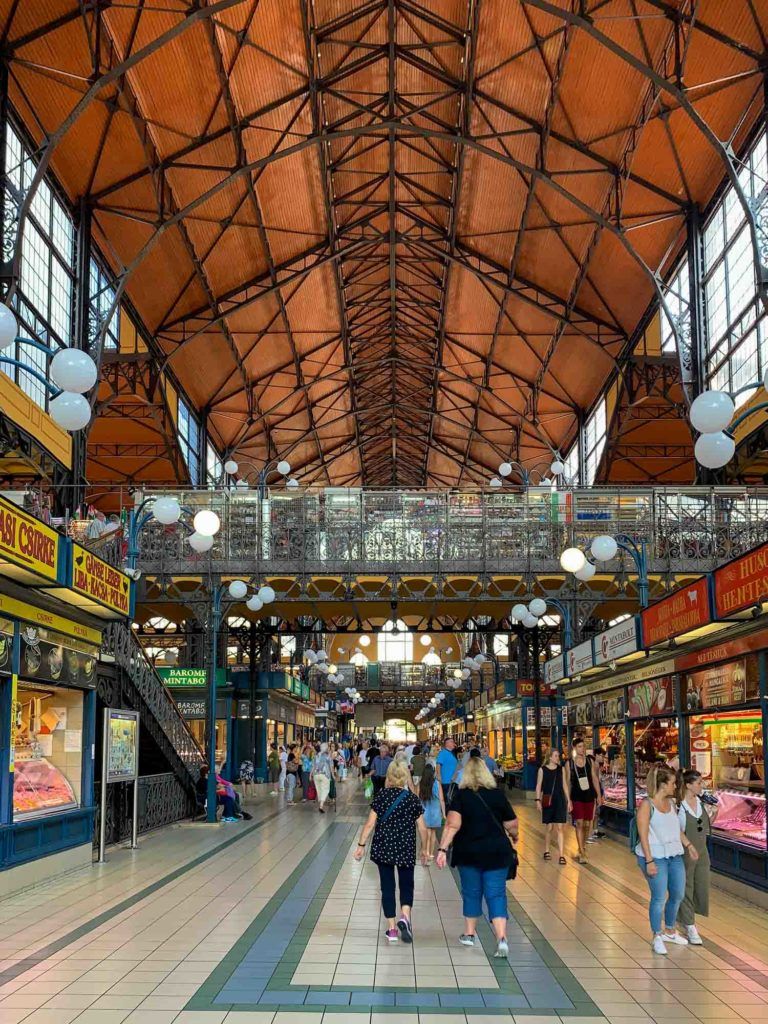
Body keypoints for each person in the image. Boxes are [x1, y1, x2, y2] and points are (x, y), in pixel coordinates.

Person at [436, 756, 517, 957]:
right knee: (496, 893)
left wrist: (442, 849)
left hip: (469, 852)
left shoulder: (462, 796)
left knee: (472, 892)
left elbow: (452, 825)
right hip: (497, 852)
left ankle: (470, 934)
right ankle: (501, 938)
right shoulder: (497, 794)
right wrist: (515, 836)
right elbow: (511, 823)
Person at [354, 760, 429, 943]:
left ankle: (392, 929)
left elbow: (370, 823)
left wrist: (361, 845)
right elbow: (423, 828)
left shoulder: (381, 796)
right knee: (406, 884)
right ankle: (405, 916)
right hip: (405, 847)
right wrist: (424, 849)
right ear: (405, 777)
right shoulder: (412, 799)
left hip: (384, 848)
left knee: (387, 887)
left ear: (389, 777)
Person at [636, 765, 699, 955]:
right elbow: (643, 835)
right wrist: (649, 861)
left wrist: (689, 845)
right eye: (672, 783)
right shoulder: (647, 806)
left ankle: (670, 931)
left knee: (678, 893)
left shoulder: (671, 805)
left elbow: (676, 829)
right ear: (663, 785)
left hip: (674, 854)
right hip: (655, 856)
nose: (675, 786)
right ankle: (657, 935)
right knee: (658, 897)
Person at [677, 769, 717, 945]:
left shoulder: (701, 803)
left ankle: (685, 917)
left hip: (702, 851)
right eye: (699, 783)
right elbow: (676, 831)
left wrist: (714, 812)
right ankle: (689, 924)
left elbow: (706, 826)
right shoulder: (679, 806)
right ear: (688, 785)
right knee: (687, 886)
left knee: (700, 884)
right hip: (686, 852)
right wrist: (688, 846)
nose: (702, 785)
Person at [565, 738, 602, 864]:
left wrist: (598, 795)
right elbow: (568, 783)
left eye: (584, 746)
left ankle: (583, 845)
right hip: (576, 796)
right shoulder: (569, 763)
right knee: (579, 823)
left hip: (589, 795)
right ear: (574, 748)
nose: (582, 749)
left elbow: (595, 779)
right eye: (580, 746)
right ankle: (581, 851)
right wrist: (568, 800)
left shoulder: (589, 761)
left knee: (587, 824)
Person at [536, 748, 570, 864]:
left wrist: (568, 800)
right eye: (556, 756)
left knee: (560, 828)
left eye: (558, 756)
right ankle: (547, 850)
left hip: (560, 799)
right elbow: (539, 785)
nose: (558, 758)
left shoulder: (561, 770)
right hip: (548, 800)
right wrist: (537, 800)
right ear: (550, 757)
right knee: (549, 827)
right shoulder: (542, 770)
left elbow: (565, 784)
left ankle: (561, 855)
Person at [418, 763, 445, 860]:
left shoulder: (421, 783)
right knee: (433, 832)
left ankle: (425, 851)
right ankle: (430, 853)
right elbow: (442, 799)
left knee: (426, 832)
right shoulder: (437, 784)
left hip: (424, 811)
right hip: (435, 812)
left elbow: (417, 798)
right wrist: (444, 813)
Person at [588, 748, 608, 843]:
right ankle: (589, 835)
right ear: (596, 755)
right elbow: (596, 781)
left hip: (596, 791)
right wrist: (599, 794)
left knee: (596, 813)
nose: (603, 758)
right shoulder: (594, 765)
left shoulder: (597, 765)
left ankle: (594, 831)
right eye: (602, 756)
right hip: (594, 792)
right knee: (593, 813)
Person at [311, 742, 335, 813]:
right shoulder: (328, 756)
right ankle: (321, 805)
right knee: (325, 789)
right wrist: (333, 775)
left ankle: (320, 802)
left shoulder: (316, 756)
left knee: (319, 790)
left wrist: (310, 775)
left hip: (316, 775)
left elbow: (313, 766)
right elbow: (331, 767)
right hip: (325, 775)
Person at [436, 736, 459, 803]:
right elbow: (438, 765)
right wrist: (439, 776)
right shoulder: (443, 753)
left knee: (451, 800)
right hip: (446, 781)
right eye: (452, 742)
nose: (454, 743)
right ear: (447, 743)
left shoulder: (451, 753)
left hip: (452, 781)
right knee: (447, 800)